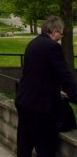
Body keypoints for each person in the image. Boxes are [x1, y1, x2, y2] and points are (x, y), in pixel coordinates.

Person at [15, 15, 77, 157]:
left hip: (24, 101)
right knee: (46, 148)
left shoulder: (33, 43)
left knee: (24, 146)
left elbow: (38, 74)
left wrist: (56, 90)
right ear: (55, 32)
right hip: (40, 107)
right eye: (61, 34)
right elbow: (64, 75)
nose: (61, 38)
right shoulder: (52, 47)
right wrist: (74, 95)